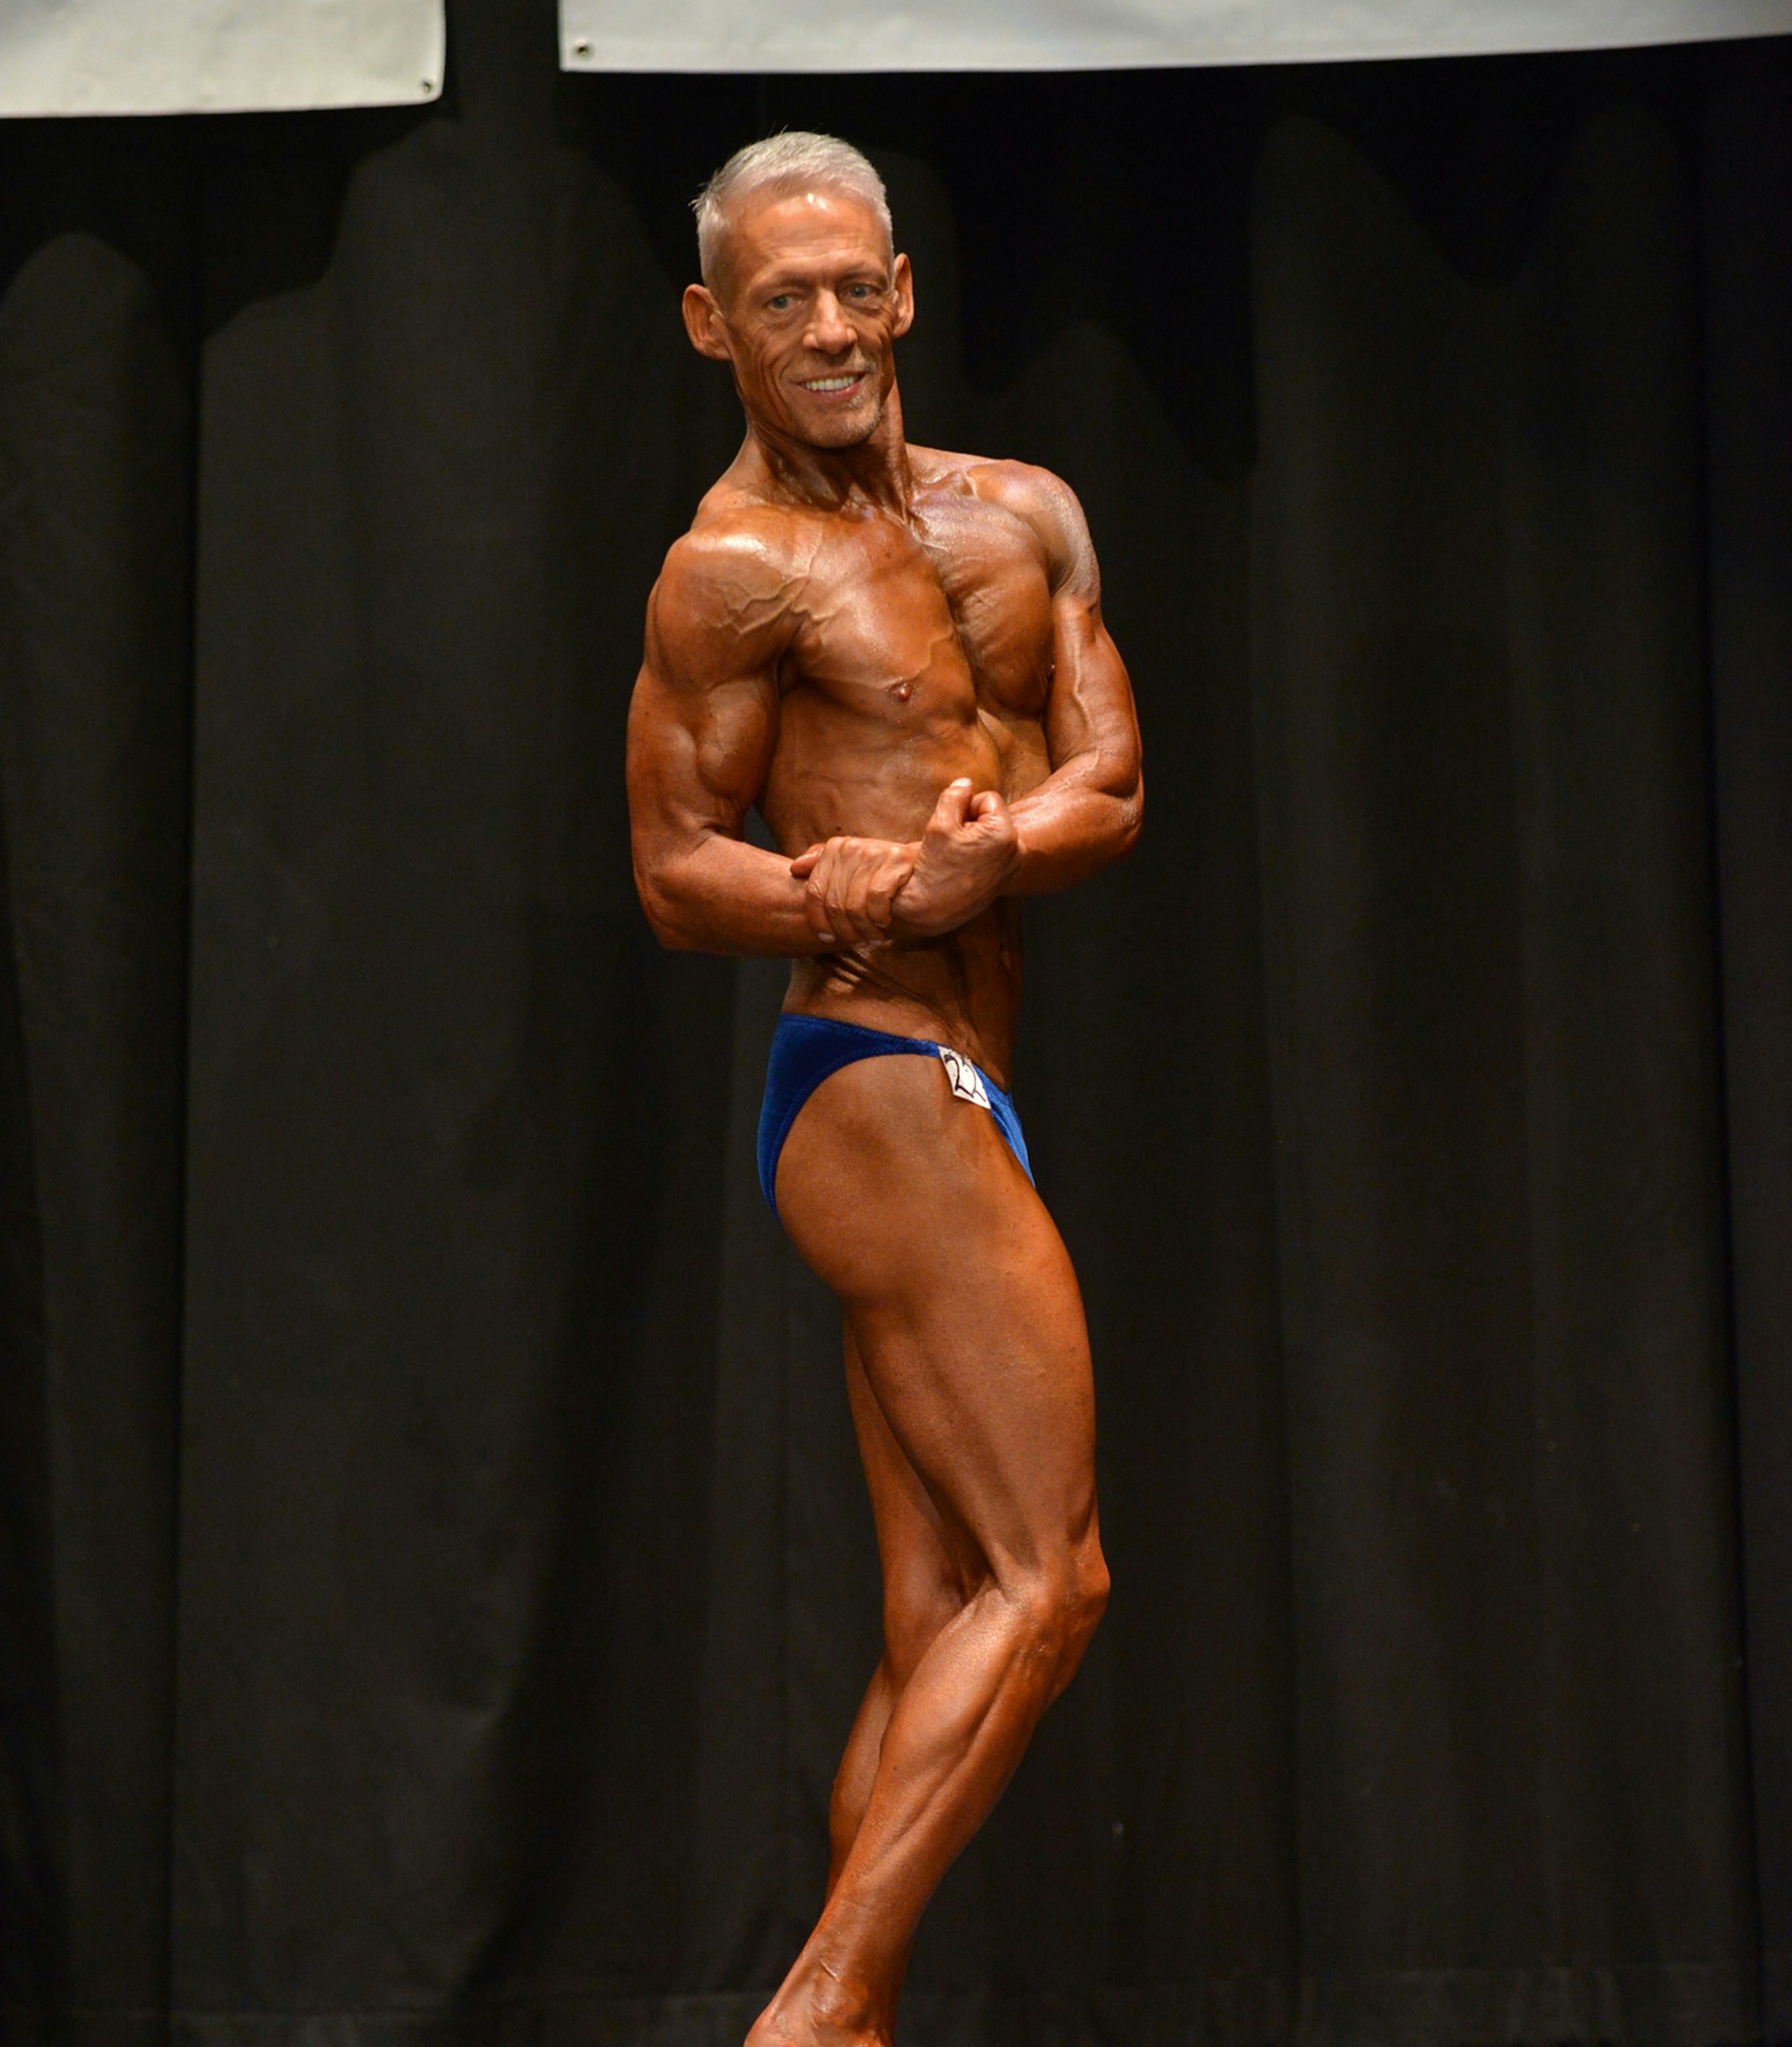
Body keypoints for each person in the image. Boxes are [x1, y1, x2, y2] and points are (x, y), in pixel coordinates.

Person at [625, 132, 1143, 2047]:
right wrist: (835, 892)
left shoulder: (1027, 516)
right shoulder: (728, 573)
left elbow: (1111, 785)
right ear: (714, 326)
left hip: (966, 1069)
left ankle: (856, 2017)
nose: (832, 327)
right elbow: (674, 869)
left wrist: (986, 858)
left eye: (857, 287)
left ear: (904, 291)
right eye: (785, 300)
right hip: (866, 1073)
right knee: (1052, 1579)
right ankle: (822, 2015)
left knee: (944, 1624)